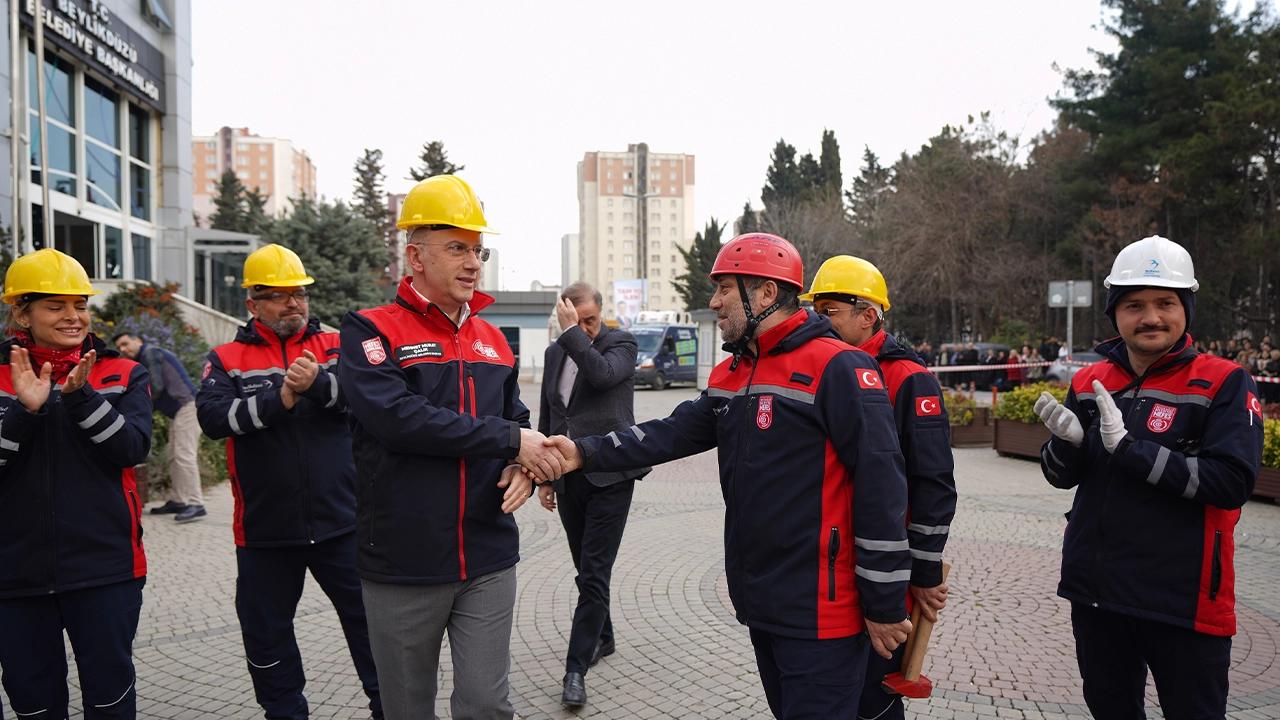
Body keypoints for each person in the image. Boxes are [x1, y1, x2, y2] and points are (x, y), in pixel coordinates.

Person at [548, 233, 913, 719]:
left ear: (766, 293)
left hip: (824, 613)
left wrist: (886, 604)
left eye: (724, 288)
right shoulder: (734, 372)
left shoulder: (840, 366)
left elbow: (882, 487)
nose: (714, 301)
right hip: (762, 603)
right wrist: (581, 453)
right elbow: (669, 432)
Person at [339, 174, 559, 719]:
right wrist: (511, 440)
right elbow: (400, 420)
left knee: (487, 704)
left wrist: (524, 465)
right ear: (415, 256)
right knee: (407, 708)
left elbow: (515, 417)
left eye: (478, 250)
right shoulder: (369, 331)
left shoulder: (492, 338)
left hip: (488, 556)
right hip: (403, 562)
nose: (473, 263)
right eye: (457, 248)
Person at [1035, 235, 1262, 719]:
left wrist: (1131, 451)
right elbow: (1061, 478)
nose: (1151, 317)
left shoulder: (1224, 380)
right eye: (1134, 305)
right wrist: (1067, 445)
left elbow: (1232, 483)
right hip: (1098, 595)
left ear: (1186, 310)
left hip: (1183, 602)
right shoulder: (1090, 381)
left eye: (1165, 303)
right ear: (1115, 313)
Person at [196, 244, 382, 719]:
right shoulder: (227, 358)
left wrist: (317, 384)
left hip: (344, 524)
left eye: (298, 294)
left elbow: (368, 400)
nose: (292, 304)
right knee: (267, 638)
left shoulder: (337, 344)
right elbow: (213, 419)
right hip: (264, 533)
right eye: (278, 296)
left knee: (373, 631)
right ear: (252, 303)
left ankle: (388, 709)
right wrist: (277, 401)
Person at [800, 254, 957, 720]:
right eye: (815, 310)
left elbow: (932, 484)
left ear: (868, 315)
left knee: (875, 698)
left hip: (887, 573)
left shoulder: (908, 378)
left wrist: (924, 574)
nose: (818, 321)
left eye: (829, 311)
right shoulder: (825, 367)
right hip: (833, 569)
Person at [0, 249, 152, 718]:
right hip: (14, 577)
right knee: (35, 706)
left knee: (110, 703)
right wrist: (23, 413)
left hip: (106, 571)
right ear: (21, 313)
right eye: (55, 306)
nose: (74, 316)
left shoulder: (122, 372)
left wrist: (82, 397)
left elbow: (131, 449)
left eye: (80, 305)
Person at [536, 282, 649, 708]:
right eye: (575, 321)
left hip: (610, 475)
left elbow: (602, 375)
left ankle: (575, 670)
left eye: (590, 321)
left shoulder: (621, 344)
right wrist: (544, 476)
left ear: (601, 313)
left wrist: (572, 335)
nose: (584, 328)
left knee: (595, 573)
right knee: (585, 570)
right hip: (569, 476)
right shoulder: (554, 354)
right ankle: (604, 636)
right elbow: (550, 414)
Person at [113, 332, 206, 523]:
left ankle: (196, 504)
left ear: (138, 340)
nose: (123, 349)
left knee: (184, 455)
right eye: (119, 347)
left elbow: (155, 387)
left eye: (125, 343)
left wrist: (138, 411)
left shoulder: (150, 353)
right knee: (173, 455)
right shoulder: (144, 358)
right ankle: (179, 500)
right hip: (179, 411)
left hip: (187, 407)